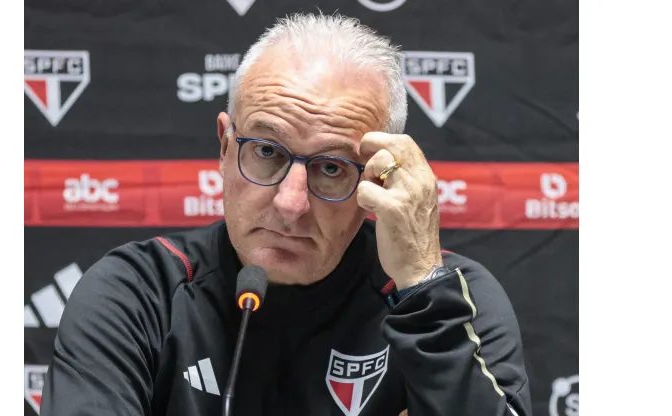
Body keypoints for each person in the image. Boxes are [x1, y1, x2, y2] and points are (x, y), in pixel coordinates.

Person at [40, 13, 531, 416]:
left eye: (332, 168)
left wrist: (423, 285)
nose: (291, 203)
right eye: (268, 153)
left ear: (378, 180)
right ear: (225, 147)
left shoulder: (450, 298)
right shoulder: (138, 293)